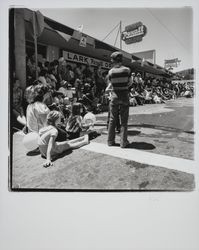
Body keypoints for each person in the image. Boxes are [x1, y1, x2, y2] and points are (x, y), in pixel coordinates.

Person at [106, 51, 132, 148]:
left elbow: (111, 83)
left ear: (113, 61)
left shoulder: (111, 71)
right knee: (124, 121)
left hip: (115, 96)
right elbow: (130, 83)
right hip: (124, 95)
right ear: (121, 60)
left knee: (112, 119)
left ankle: (110, 141)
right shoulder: (127, 70)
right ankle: (123, 142)